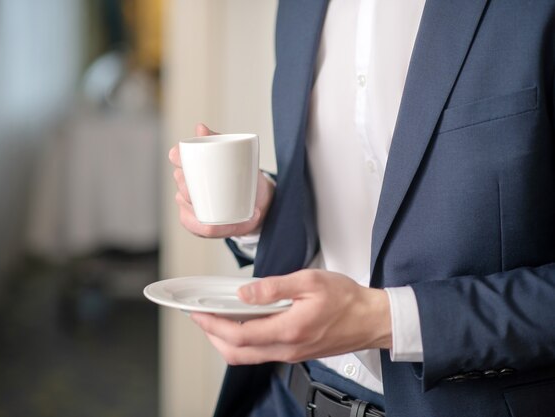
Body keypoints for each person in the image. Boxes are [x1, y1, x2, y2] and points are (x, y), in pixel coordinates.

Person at [169, 0, 555, 416]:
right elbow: (351, 201)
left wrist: (384, 320)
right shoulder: (299, 8)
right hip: (285, 398)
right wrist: (266, 214)